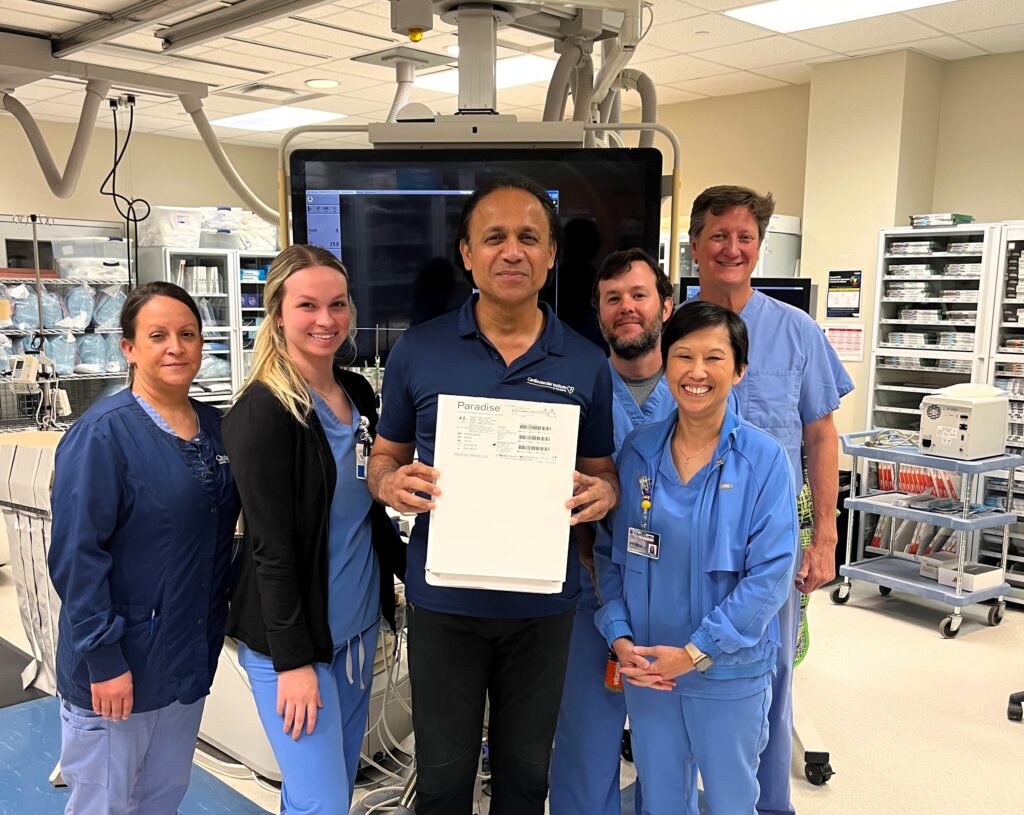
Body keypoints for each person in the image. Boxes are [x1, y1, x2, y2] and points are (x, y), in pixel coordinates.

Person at [368, 175, 619, 815]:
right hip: (445, 601)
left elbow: (602, 475)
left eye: (529, 237)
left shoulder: (585, 363)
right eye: (495, 237)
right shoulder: (418, 351)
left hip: (541, 606)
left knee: (525, 777)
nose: (513, 252)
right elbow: (384, 458)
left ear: (552, 255)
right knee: (445, 780)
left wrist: (602, 494)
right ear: (467, 253)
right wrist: (391, 482)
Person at [687, 185, 854, 815]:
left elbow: (819, 435)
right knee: (679, 675)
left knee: (770, 679)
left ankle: (765, 804)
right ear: (697, 245)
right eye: (718, 235)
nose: (731, 248)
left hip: (767, 549)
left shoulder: (797, 332)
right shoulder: (668, 329)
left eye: (745, 237)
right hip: (680, 538)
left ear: (759, 247)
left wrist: (826, 539)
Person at [595, 300, 799, 814]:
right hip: (649, 672)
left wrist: (695, 653)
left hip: (727, 675)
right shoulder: (639, 451)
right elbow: (610, 555)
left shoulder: (764, 460)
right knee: (660, 800)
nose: (697, 372)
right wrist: (619, 637)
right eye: (684, 356)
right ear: (666, 364)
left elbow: (770, 578)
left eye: (715, 357)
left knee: (732, 802)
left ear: (739, 369)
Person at [222, 245, 405, 813]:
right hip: (294, 647)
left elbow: (367, 512)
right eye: (307, 306)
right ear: (278, 312)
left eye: (337, 304)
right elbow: (270, 548)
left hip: (353, 632)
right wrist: (293, 663)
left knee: (322, 795)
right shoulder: (263, 412)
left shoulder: (356, 395)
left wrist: (416, 573)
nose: (325, 320)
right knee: (323, 804)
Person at [48, 282, 240, 815]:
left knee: (160, 800)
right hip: (117, 665)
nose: (175, 347)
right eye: (157, 336)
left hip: (184, 658)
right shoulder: (102, 436)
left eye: (187, 334)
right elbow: (76, 558)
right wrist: (104, 659)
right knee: (104, 804)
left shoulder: (217, 429)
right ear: (129, 348)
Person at [549, 247, 675, 815]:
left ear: (666, 306)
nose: (627, 308)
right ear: (598, 313)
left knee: (669, 745)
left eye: (639, 295)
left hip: (677, 596)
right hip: (590, 584)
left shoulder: (698, 389)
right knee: (585, 743)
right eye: (613, 299)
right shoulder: (572, 387)